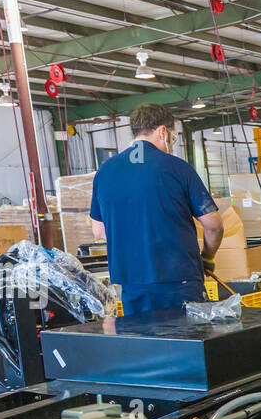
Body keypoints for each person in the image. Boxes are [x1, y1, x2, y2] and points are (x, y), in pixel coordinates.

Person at [89, 104, 223, 316]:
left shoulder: (104, 172)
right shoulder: (178, 168)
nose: (173, 143)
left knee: (148, 346)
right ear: (163, 132)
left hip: (131, 285)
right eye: (174, 137)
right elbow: (213, 225)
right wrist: (207, 258)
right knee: (187, 344)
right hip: (178, 281)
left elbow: (99, 232)